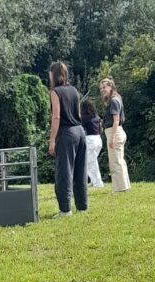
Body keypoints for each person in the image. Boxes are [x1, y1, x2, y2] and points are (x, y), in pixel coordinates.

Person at [48, 61, 88, 217]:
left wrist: (52, 140)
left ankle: (65, 210)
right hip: (80, 131)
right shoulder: (74, 90)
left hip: (66, 133)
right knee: (80, 171)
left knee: (64, 172)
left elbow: (56, 116)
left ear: (53, 74)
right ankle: (82, 207)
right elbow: (77, 113)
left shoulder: (55, 92)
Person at [99, 77, 131, 193]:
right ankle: (124, 186)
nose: (102, 90)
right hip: (116, 131)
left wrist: (112, 138)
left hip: (115, 132)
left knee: (115, 162)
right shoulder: (116, 98)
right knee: (119, 161)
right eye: (101, 88)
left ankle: (119, 189)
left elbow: (116, 120)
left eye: (104, 87)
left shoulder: (113, 100)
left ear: (111, 87)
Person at [80, 99, 104, 188]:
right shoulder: (97, 117)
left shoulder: (85, 118)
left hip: (90, 140)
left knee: (91, 163)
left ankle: (98, 183)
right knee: (91, 161)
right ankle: (94, 181)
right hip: (98, 139)